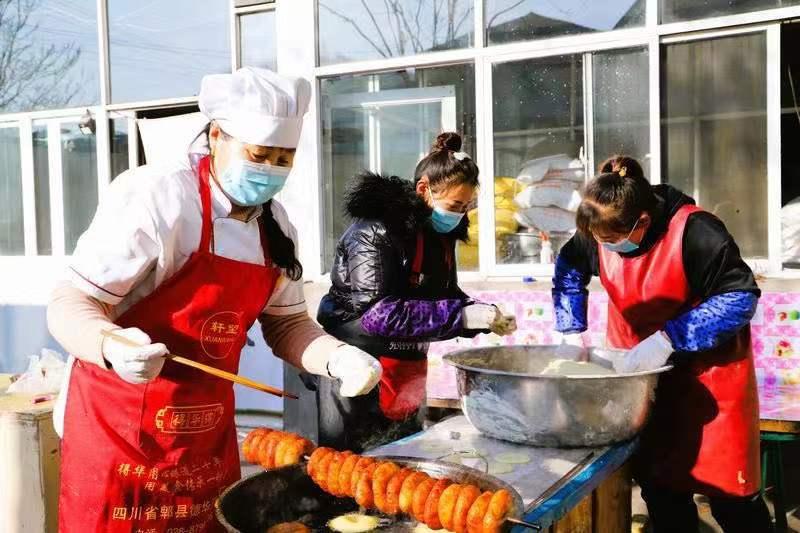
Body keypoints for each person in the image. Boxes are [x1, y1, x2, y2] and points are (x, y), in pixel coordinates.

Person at [47, 67, 381, 532]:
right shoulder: (158, 197)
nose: (271, 170)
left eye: (284, 159)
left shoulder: (276, 226)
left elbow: (287, 326)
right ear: (217, 135)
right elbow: (70, 303)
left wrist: (338, 358)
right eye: (259, 155)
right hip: (121, 428)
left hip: (204, 434)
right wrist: (110, 344)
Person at [552, 155, 772, 533]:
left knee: (731, 502)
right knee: (660, 491)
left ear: (642, 222)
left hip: (710, 382)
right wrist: (569, 330)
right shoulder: (599, 229)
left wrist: (671, 338)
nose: (604, 248)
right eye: (599, 242)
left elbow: (740, 297)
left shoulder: (696, 230)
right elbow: (569, 269)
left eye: (611, 241)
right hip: (639, 380)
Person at [315, 132, 516, 451]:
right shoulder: (375, 232)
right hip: (359, 363)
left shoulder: (439, 236)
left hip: (409, 361)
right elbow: (377, 315)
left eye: (466, 207)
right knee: (352, 466)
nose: (460, 215)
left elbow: (443, 294)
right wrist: (461, 315)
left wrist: (482, 314)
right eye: (454, 205)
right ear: (423, 189)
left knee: (404, 456)